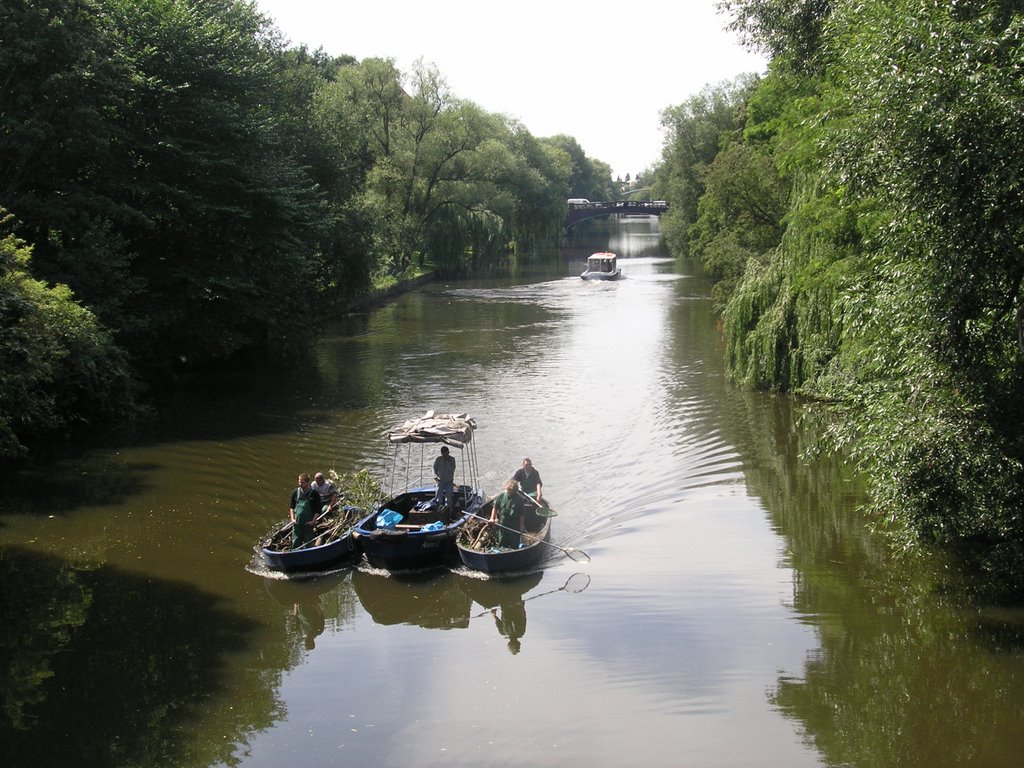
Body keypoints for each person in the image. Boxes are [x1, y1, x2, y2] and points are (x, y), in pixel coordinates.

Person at [289, 473, 322, 548]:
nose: (300, 484)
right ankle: (294, 554)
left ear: (308, 482)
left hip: (308, 524)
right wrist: (292, 519)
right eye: (299, 482)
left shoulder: (314, 494)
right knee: (296, 542)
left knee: (308, 542)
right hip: (297, 524)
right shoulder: (295, 492)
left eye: (302, 482)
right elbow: (292, 507)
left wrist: (313, 521)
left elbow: (318, 510)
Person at [490, 478, 525, 549]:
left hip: (514, 527)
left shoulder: (520, 499)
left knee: (514, 545)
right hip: (503, 526)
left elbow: (522, 514)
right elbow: (495, 507)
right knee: (502, 544)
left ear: (515, 491)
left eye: (512, 491)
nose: (510, 492)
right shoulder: (502, 496)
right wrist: (492, 518)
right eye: (509, 491)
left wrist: (521, 527)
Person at [433, 445, 456, 511]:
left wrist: (446, 462)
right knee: (438, 496)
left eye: (446, 453)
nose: (444, 455)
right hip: (441, 481)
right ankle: (438, 510)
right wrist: (436, 477)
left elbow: (452, 469)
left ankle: (449, 511)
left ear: (448, 452)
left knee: (449, 497)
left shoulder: (452, 459)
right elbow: (434, 469)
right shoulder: (438, 459)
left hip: (449, 481)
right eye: (443, 453)